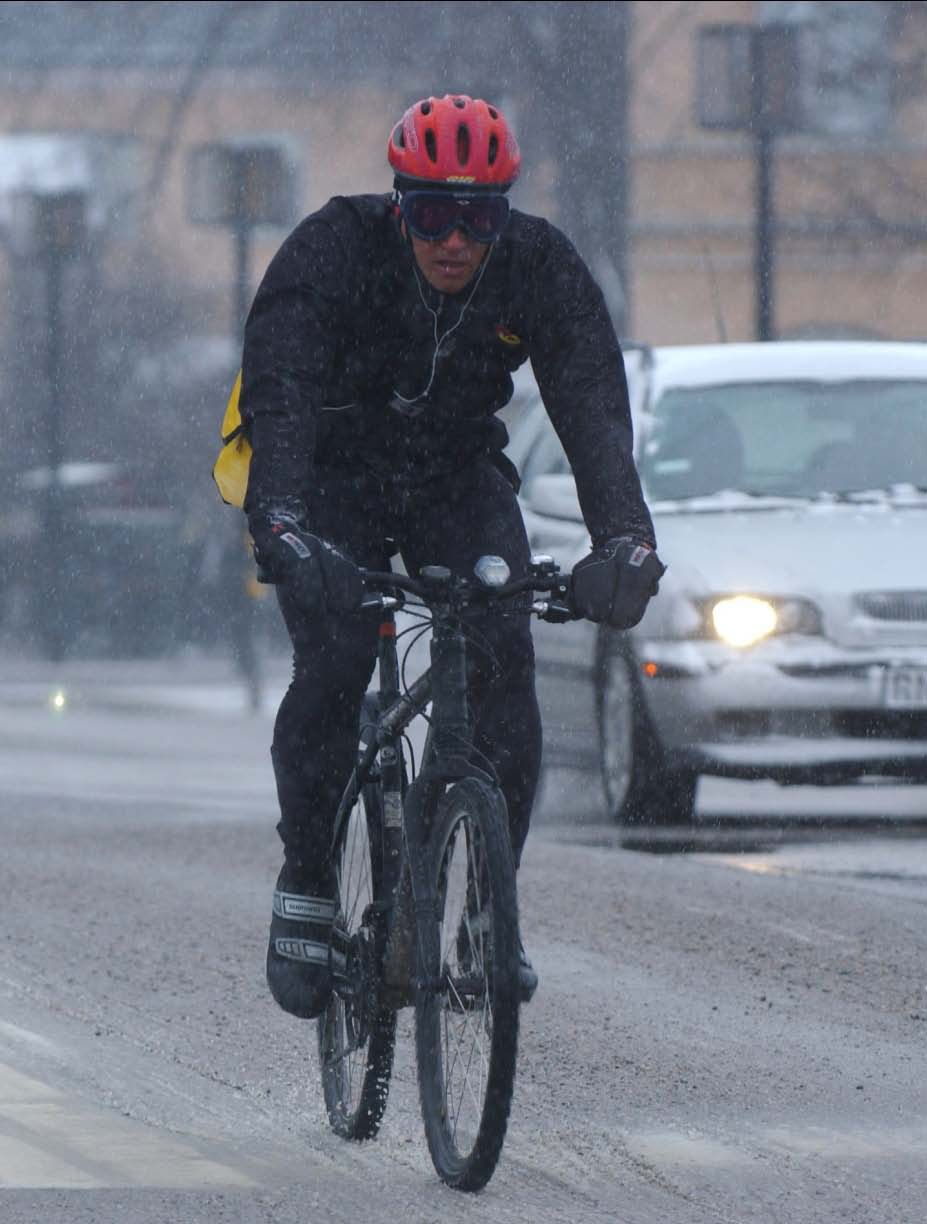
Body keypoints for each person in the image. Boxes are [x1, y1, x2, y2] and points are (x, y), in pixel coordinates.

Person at [238, 93, 664, 1020]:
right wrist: (278, 520)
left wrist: (624, 538)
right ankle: (307, 875)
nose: (455, 241)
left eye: (478, 217)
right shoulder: (333, 250)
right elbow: (280, 386)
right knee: (339, 659)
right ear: (400, 205)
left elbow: (591, 404)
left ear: (503, 214)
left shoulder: (536, 267)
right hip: (332, 479)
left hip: (452, 476)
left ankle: (482, 915)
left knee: (504, 655)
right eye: (433, 212)